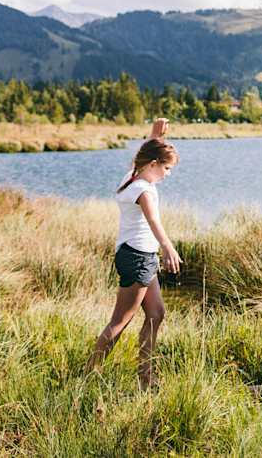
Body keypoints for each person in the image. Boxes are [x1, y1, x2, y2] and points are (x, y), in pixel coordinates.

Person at [86, 137, 182, 388]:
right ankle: (88, 377)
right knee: (120, 321)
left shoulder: (132, 176)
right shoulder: (143, 190)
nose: (168, 174)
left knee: (156, 314)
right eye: (167, 168)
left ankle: (145, 378)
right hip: (138, 257)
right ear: (153, 164)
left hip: (141, 256)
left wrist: (157, 133)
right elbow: (153, 220)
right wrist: (168, 247)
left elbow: (145, 151)